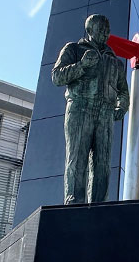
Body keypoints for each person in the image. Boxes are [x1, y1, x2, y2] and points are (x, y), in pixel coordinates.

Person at [52, 14, 129, 203]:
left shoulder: (115, 61)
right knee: (77, 158)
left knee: (102, 163)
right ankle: (74, 201)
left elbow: (124, 91)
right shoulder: (74, 49)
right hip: (80, 108)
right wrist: (81, 65)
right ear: (89, 31)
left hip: (105, 114)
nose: (105, 33)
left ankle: (99, 203)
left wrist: (122, 106)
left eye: (107, 30)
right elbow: (56, 77)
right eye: (101, 29)